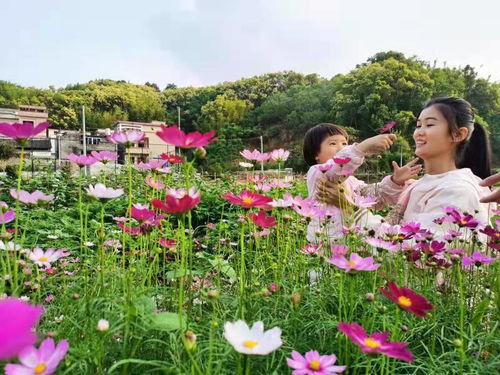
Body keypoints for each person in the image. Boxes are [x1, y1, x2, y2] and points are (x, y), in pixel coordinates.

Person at [383, 97, 495, 233]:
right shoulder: (418, 185)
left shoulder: (457, 191)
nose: (419, 133)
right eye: (418, 126)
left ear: (458, 134)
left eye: (429, 125)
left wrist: (367, 222)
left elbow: (423, 246)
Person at [303, 123, 421, 242]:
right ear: (315, 154)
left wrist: (395, 181)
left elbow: (372, 196)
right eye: (333, 143)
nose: (341, 148)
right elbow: (336, 167)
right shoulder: (317, 173)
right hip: (323, 241)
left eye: (344, 143)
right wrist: (364, 147)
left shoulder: (351, 181)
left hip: (350, 240)